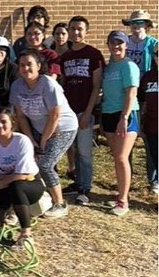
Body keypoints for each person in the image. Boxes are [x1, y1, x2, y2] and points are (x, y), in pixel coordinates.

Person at [10, 49, 78, 218]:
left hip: (62, 127)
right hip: (37, 128)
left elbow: (54, 116)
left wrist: (43, 142)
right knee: (32, 162)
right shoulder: (17, 86)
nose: (26, 68)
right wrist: (32, 140)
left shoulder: (48, 84)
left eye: (30, 64)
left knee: (46, 164)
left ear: (39, 66)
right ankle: (42, 195)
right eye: (22, 65)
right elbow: (20, 116)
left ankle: (60, 203)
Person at [0, 107, 45, 248]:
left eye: (3, 122)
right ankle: (14, 207)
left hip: (30, 184)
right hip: (6, 183)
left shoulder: (22, 141)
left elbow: (23, 175)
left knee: (17, 186)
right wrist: (11, 177)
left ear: (12, 124)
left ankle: (26, 234)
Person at [59, 16, 105, 205]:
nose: (76, 32)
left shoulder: (94, 54)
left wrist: (88, 112)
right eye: (73, 29)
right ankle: (77, 182)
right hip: (69, 112)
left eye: (80, 29)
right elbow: (63, 84)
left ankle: (85, 188)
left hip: (85, 111)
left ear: (87, 31)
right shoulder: (66, 57)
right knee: (74, 149)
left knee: (85, 150)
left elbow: (96, 86)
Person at [101, 30, 141, 216]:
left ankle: (123, 200)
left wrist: (124, 118)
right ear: (108, 44)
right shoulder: (108, 68)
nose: (116, 46)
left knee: (121, 157)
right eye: (113, 43)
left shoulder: (129, 66)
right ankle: (120, 194)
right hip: (108, 113)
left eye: (120, 43)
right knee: (116, 156)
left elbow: (131, 93)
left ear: (126, 45)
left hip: (126, 114)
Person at [138, 43, 158, 193]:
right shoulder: (148, 77)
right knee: (155, 159)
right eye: (157, 54)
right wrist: (140, 124)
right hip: (152, 126)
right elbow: (141, 101)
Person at [123, 10, 157, 76]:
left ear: (146, 24)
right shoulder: (124, 41)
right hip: (127, 77)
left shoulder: (153, 43)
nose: (135, 25)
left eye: (139, 22)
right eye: (132, 22)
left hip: (145, 79)